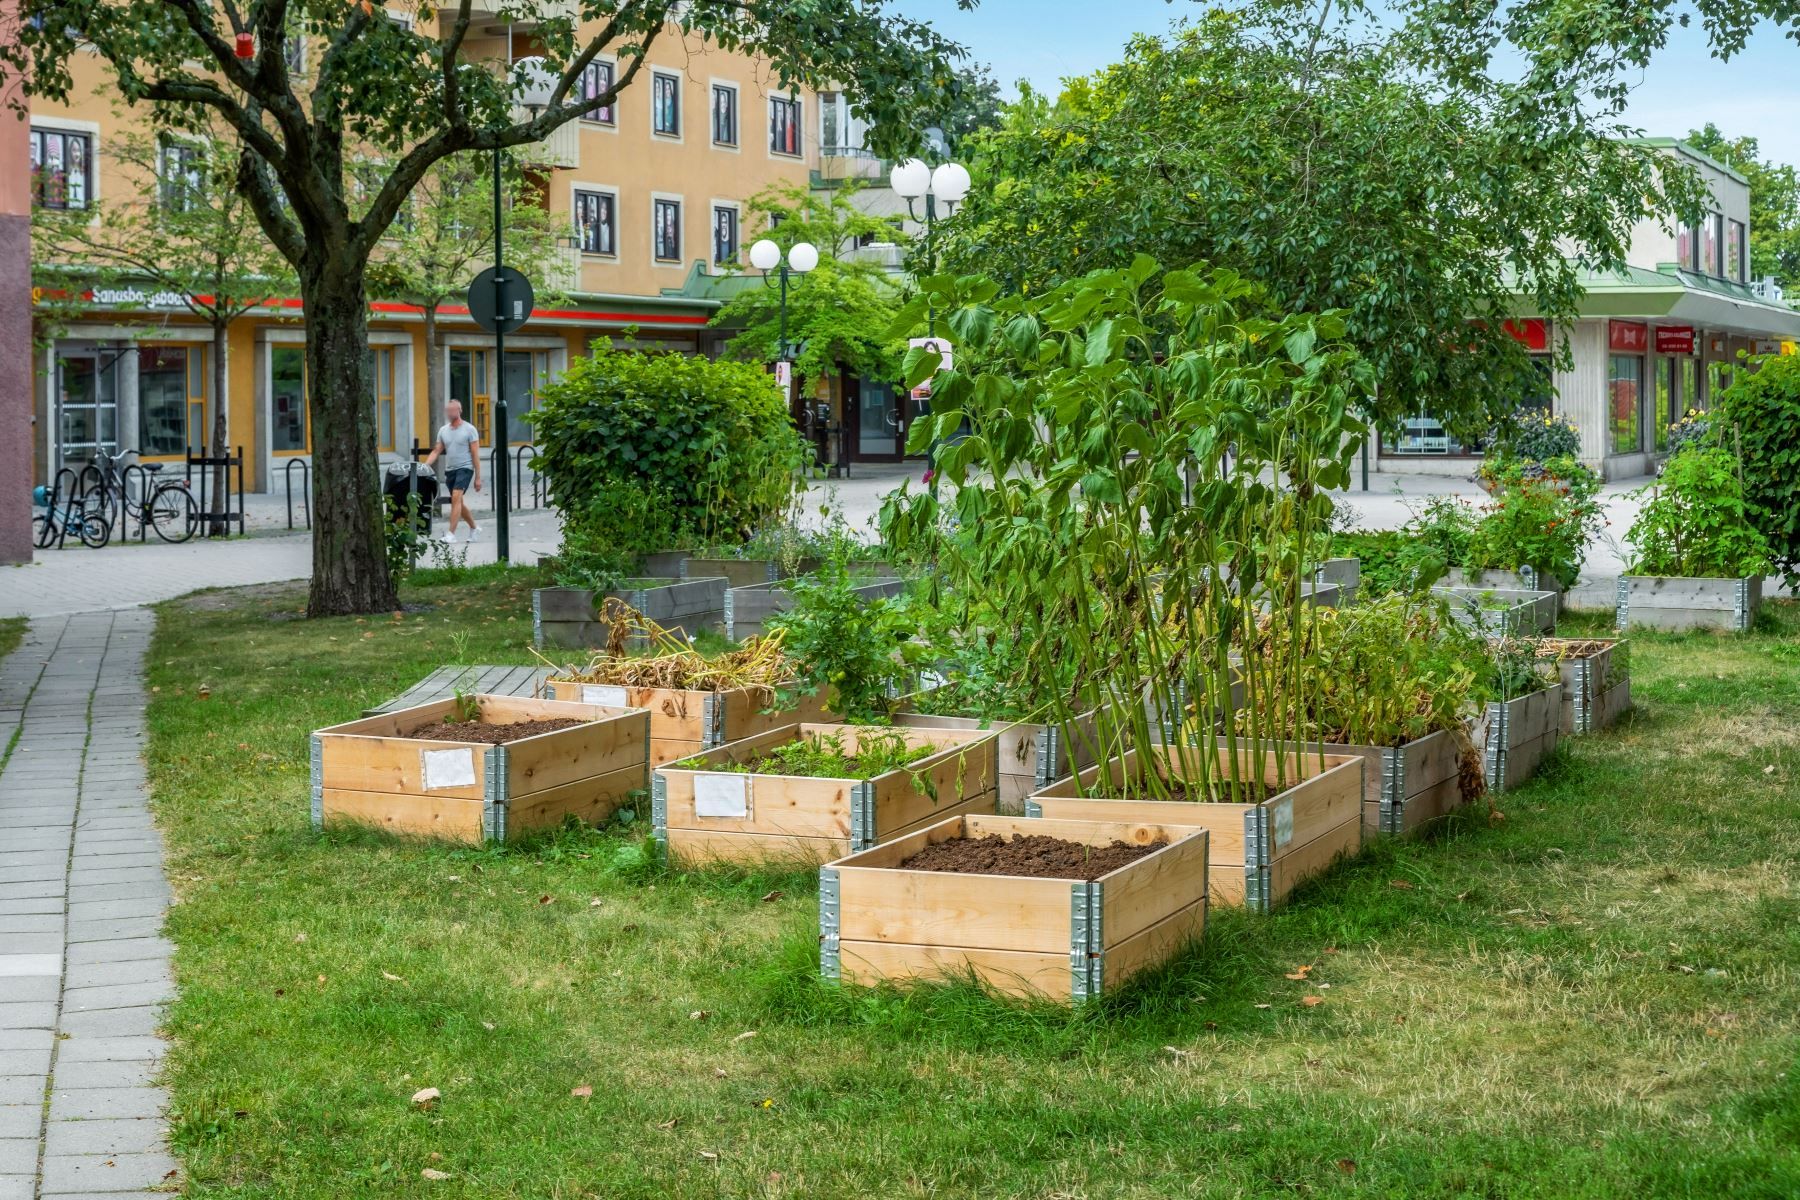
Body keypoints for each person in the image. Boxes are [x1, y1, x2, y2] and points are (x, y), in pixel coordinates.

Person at [424, 400, 482, 543]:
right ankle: (474, 528)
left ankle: (451, 534)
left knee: (456, 497)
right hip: (451, 470)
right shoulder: (443, 430)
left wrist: (478, 477)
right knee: (458, 502)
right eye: (448, 410)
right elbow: (437, 450)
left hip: (465, 468)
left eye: (453, 410)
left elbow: (475, 454)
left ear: (459, 410)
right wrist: (424, 466)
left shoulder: (470, 429)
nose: (450, 413)